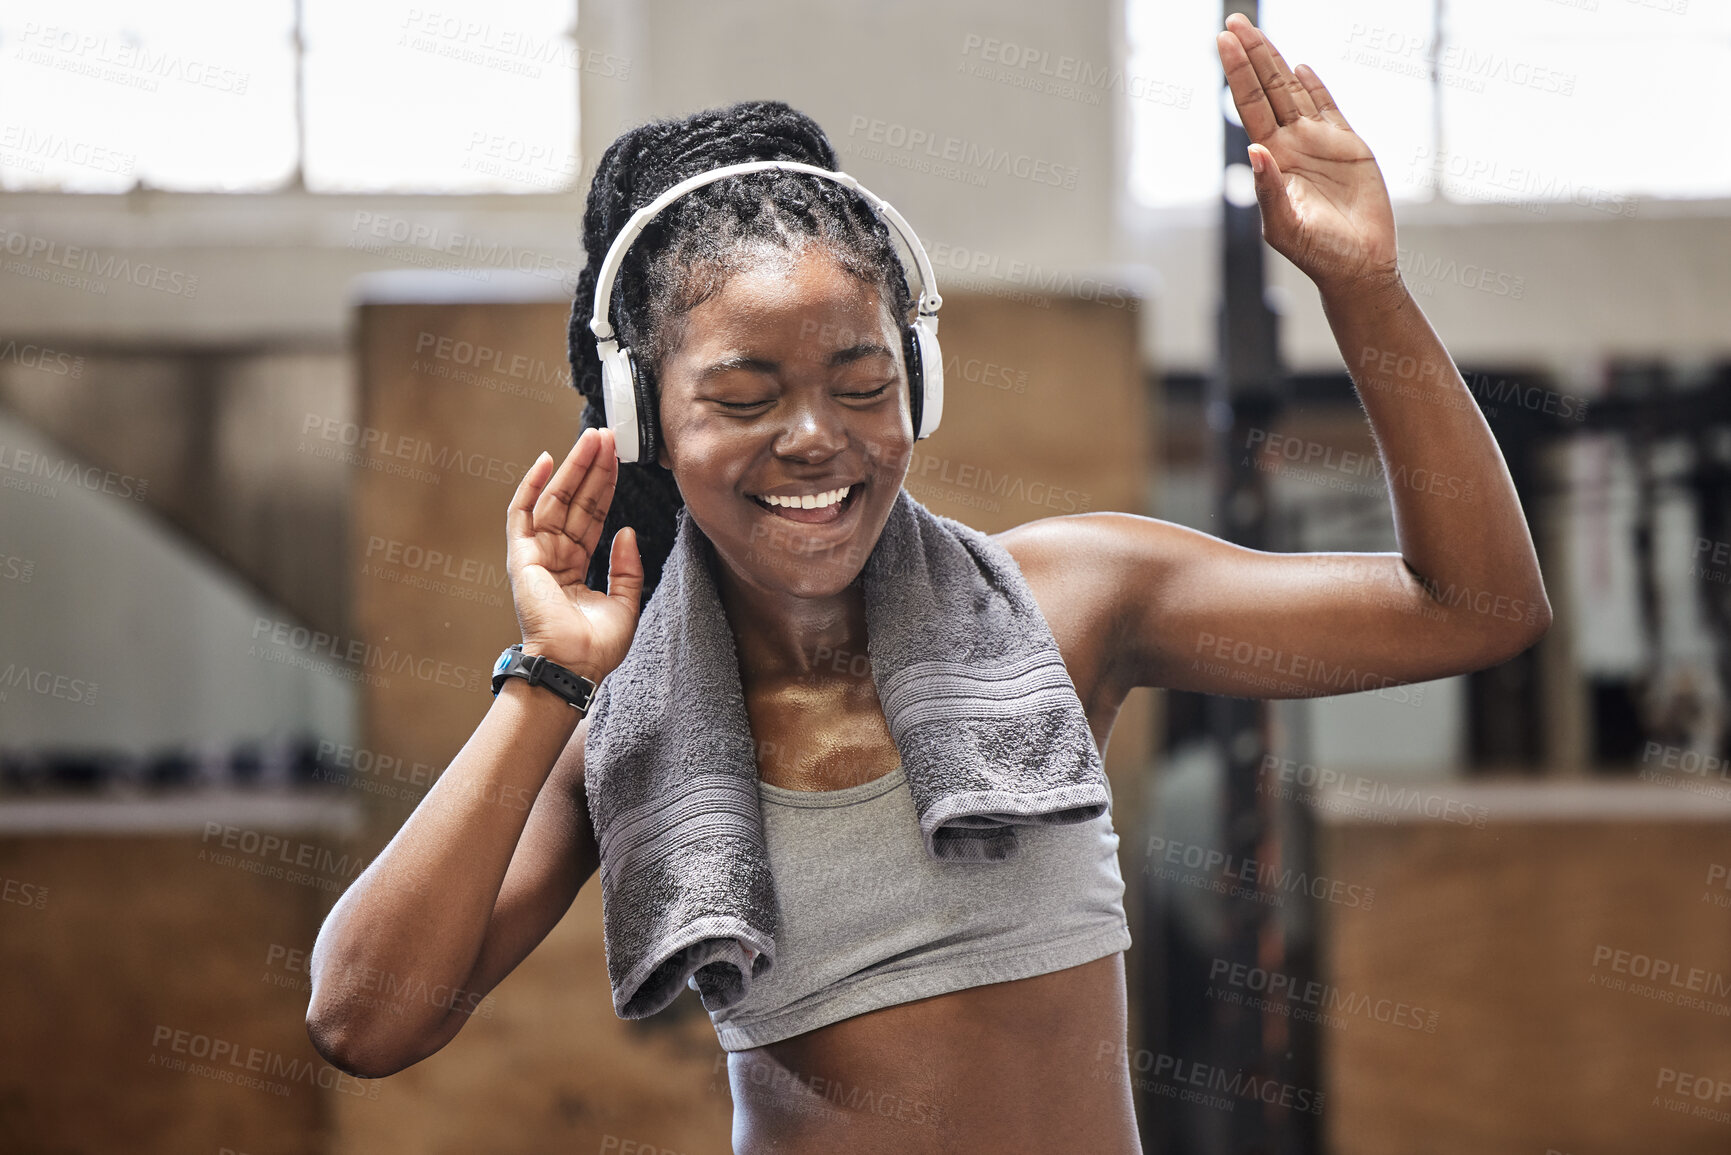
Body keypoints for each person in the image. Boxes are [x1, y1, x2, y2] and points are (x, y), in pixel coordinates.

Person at [306, 15, 1551, 1154]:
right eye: (742, 399)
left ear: (920, 382)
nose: (814, 438)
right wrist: (549, 683)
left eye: (862, 385)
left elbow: (1478, 608)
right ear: (644, 422)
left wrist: (1363, 286)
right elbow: (364, 1023)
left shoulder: (1075, 601)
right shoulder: (635, 724)